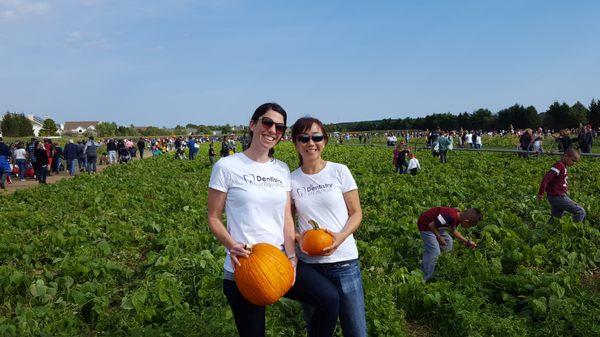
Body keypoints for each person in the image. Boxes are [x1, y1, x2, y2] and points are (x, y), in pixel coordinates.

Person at [207, 103, 338, 337]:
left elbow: (287, 217)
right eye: (267, 123)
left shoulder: (282, 169)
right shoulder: (227, 166)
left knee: (329, 299)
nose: (272, 130)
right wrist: (230, 245)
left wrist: (291, 257)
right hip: (245, 266)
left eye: (279, 127)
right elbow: (214, 217)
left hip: (280, 261)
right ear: (252, 125)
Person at [290, 117, 367, 337]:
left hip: (344, 263)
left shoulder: (339, 171)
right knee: (319, 331)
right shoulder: (291, 180)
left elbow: (356, 213)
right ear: (295, 143)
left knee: (356, 330)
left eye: (316, 137)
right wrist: (298, 238)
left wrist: (340, 236)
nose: (310, 143)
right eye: (304, 138)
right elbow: (286, 219)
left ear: (325, 141)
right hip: (310, 267)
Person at [418, 207, 482, 281]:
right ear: (466, 221)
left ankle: (435, 263)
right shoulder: (449, 216)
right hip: (426, 226)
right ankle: (423, 277)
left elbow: (453, 231)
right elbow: (431, 225)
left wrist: (467, 242)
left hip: (437, 226)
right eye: (469, 226)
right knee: (435, 252)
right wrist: (438, 237)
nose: (468, 228)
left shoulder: (458, 216)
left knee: (449, 242)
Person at [536, 148, 585, 222]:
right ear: (566, 156)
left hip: (556, 196)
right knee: (580, 212)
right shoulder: (559, 165)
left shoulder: (563, 165)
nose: (573, 163)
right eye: (573, 160)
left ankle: (548, 231)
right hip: (557, 196)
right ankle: (573, 231)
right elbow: (546, 179)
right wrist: (540, 193)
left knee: (555, 219)